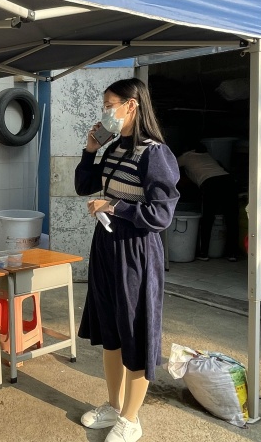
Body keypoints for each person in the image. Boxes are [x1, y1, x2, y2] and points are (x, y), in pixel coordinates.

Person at [75, 78, 179, 442]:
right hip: (106, 245)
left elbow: (161, 214)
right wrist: (90, 150)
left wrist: (115, 206)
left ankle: (131, 419)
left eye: (110, 105)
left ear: (131, 105)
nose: (105, 112)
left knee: (135, 331)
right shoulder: (115, 148)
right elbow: (83, 185)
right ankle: (113, 405)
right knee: (111, 329)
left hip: (136, 251)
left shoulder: (155, 154)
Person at [176, 145, 239, 261]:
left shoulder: (186, 156)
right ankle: (232, 253)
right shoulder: (207, 155)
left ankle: (203, 253)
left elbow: (169, 165)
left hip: (210, 183)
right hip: (229, 181)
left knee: (207, 218)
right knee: (232, 219)